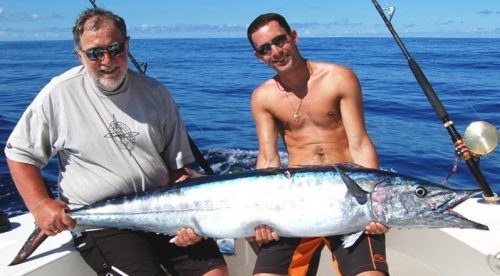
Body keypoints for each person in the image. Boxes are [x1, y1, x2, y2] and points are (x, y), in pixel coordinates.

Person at [5, 8, 228, 276]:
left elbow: (180, 168)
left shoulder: (156, 92)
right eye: (95, 53)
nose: (107, 60)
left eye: (115, 49)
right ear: (79, 54)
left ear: (127, 45)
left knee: (215, 273)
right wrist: (40, 204)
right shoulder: (59, 93)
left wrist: (191, 221)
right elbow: (20, 153)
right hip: (103, 225)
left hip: (165, 212)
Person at [246, 13, 390, 276]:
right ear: (259, 56)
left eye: (280, 41)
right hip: (295, 202)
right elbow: (268, 159)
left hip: (348, 197)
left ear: (294, 36)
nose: (276, 52)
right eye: (265, 49)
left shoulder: (339, 77)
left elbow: (359, 143)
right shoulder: (262, 97)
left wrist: (374, 206)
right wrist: (261, 216)